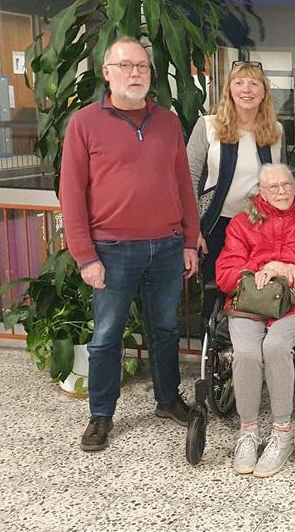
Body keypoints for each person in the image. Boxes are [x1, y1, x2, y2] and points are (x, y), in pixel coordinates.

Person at [60, 37, 200, 452]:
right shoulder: (84, 123)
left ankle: (168, 399)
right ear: (107, 72)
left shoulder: (169, 122)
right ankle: (101, 415)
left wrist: (189, 241)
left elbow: (183, 187)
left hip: (167, 247)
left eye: (141, 66)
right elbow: (71, 194)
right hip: (112, 250)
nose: (134, 73)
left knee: (165, 329)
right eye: (125, 66)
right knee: (106, 335)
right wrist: (85, 256)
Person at [215, 164, 295, 477]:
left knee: (274, 347)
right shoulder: (242, 223)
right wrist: (257, 271)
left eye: (287, 185)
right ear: (261, 191)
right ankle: (248, 432)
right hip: (251, 302)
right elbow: (224, 271)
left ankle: (282, 433)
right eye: (273, 187)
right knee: (245, 352)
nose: (282, 191)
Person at [187, 60, 285, 323]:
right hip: (215, 225)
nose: (246, 89)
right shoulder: (207, 126)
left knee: (256, 293)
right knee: (215, 292)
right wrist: (193, 229)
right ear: (229, 90)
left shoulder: (276, 131)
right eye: (239, 83)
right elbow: (188, 179)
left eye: (254, 83)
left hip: (257, 227)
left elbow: (280, 183)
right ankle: (216, 357)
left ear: (264, 92)